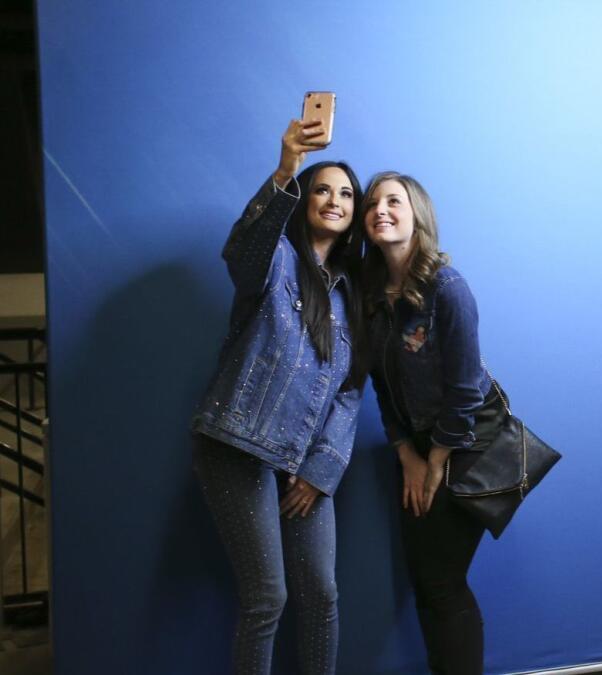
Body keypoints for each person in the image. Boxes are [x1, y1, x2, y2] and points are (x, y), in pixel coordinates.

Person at [190, 118, 367, 675]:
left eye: (345, 194)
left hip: (305, 463)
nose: (334, 200)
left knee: (322, 595)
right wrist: (288, 166)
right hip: (237, 443)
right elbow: (241, 249)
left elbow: (349, 391)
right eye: (322, 189)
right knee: (268, 599)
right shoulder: (277, 261)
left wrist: (322, 467)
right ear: (305, 200)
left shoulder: (351, 295)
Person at [362, 172, 505, 675]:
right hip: (417, 450)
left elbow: (466, 386)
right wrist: (405, 454)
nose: (381, 209)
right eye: (373, 203)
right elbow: (380, 385)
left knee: (442, 583)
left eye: (393, 201)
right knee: (428, 582)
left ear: (417, 213)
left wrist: (436, 459)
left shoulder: (448, 288)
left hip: (462, 447)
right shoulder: (375, 299)